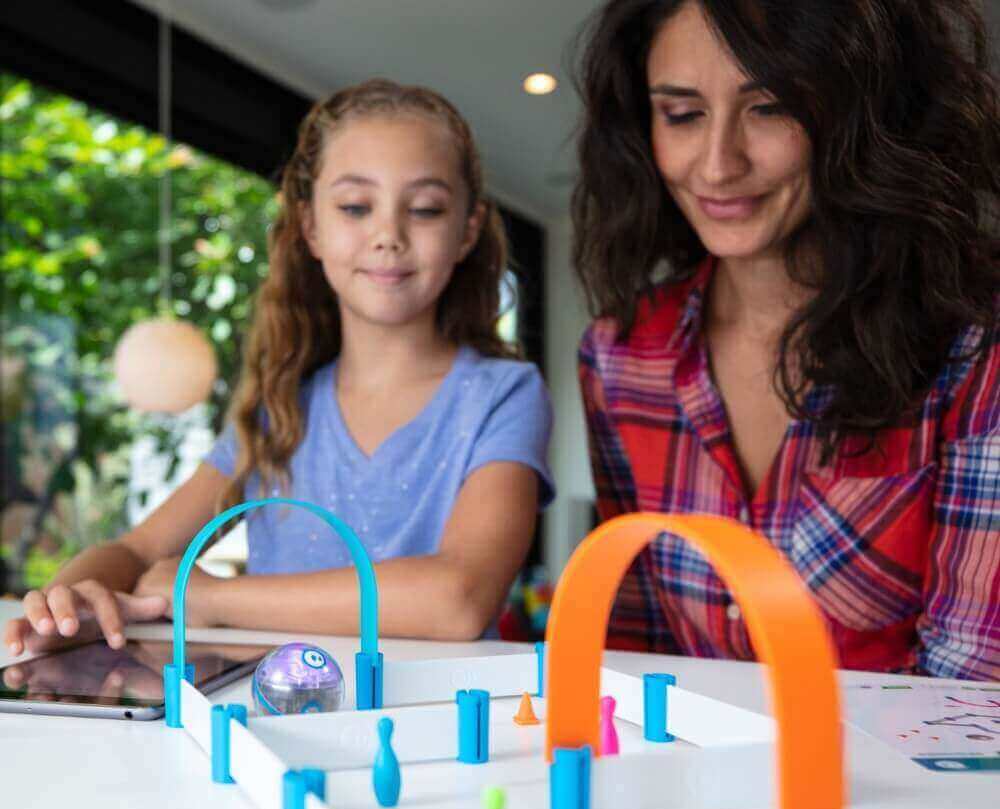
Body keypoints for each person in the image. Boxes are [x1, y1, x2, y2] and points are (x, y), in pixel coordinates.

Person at [5, 79, 554, 658]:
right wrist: (66, 600)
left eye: (424, 209)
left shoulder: (504, 395)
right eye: (354, 207)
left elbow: (458, 598)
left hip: (444, 732)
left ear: (468, 230)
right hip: (276, 726)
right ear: (311, 226)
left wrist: (217, 598)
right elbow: (139, 552)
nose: (388, 236)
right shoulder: (279, 410)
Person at [572, 0, 999, 679]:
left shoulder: (973, 346)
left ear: (863, 115)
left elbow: (971, 695)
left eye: (769, 108)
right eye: (681, 114)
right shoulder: (620, 359)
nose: (717, 165)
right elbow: (633, 648)